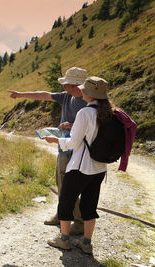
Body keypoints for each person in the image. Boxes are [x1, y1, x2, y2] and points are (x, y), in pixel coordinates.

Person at [8, 67, 87, 235]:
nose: (64, 86)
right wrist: (21, 94)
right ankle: (62, 214)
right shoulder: (67, 96)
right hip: (64, 149)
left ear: (76, 85)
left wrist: (73, 126)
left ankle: (80, 222)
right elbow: (44, 94)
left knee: (75, 186)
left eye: (67, 84)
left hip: (80, 151)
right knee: (61, 182)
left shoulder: (89, 100)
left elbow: (96, 123)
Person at [43, 76, 112, 254]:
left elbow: (73, 142)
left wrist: (56, 140)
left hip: (80, 167)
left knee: (65, 203)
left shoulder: (85, 113)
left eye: (83, 89)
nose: (80, 91)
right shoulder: (110, 112)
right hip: (99, 168)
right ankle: (86, 243)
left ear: (89, 93)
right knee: (90, 206)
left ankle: (64, 240)